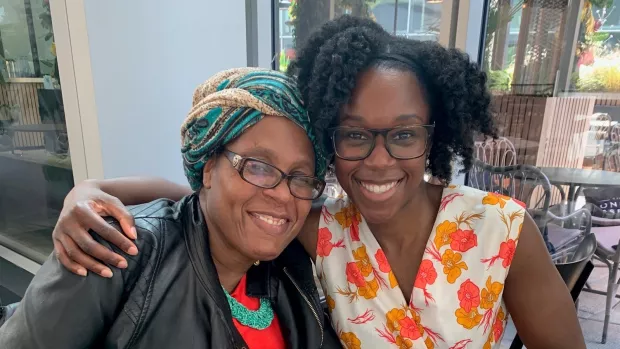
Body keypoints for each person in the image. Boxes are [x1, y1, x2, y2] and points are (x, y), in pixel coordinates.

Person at [43, 17, 585, 349]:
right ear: (332, 140)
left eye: (402, 135)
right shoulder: (322, 231)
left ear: (433, 135)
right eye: (354, 135)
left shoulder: (501, 231)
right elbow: (200, 196)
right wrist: (89, 189)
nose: (377, 160)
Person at [0, 68, 342, 349]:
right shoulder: (115, 251)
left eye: (300, 177)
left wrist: (93, 187)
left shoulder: (293, 269)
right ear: (208, 167)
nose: (283, 195)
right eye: (258, 166)